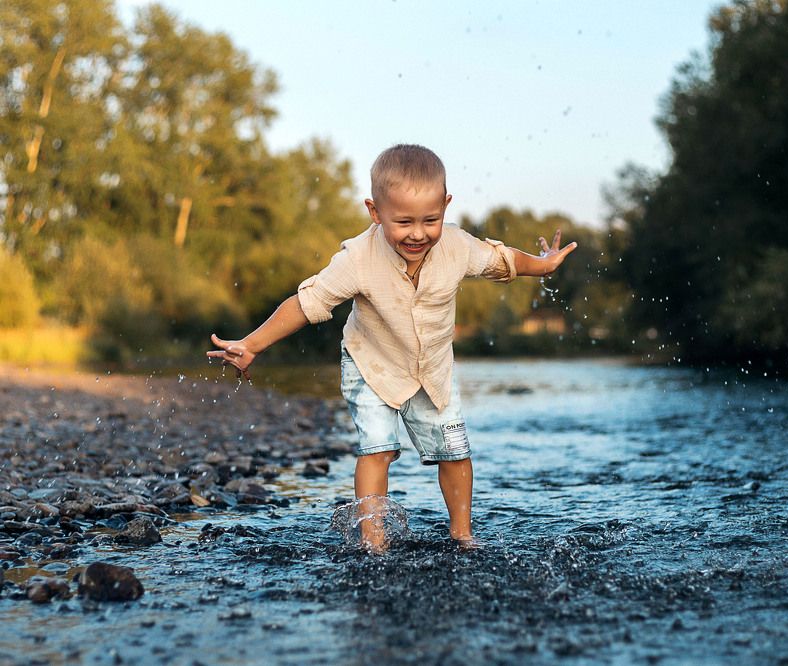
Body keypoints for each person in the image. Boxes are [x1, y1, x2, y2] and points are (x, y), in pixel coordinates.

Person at [207, 144, 577, 551]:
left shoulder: (456, 245)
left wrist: (541, 265)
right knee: (378, 449)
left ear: (446, 206)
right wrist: (252, 344)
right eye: (403, 222)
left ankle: (463, 534)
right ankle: (373, 541)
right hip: (371, 365)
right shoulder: (357, 259)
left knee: (455, 452)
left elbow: (502, 260)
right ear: (375, 211)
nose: (418, 233)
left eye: (431, 220)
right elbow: (306, 304)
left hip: (432, 370)